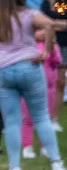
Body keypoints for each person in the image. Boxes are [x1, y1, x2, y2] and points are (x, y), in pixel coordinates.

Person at [0, 0, 65, 170]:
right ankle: (56, 162)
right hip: (29, 66)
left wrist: (0, 51)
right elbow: (50, 24)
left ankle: (15, 166)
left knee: (12, 121)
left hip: (2, 71)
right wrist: (47, 50)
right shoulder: (29, 14)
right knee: (41, 116)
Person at [20, 27, 61, 159]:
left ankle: (46, 146)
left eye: (45, 30)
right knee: (28, 118)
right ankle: (27, 146)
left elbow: (57, 61)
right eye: (39, 30)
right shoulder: (26, 45)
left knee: (46, 118)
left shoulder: (53, 46)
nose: (43, 32)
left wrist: (52, 48)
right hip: (29, 87)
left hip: (48, 89)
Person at [39, 0, 67, 131]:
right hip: (53, 45)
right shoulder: (46, 3)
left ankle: (54, 118)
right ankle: (46, 117)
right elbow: (45, 23)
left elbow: (52, 23)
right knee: (51, 82)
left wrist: (55, 23)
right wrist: (59, 23)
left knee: (60, 83)